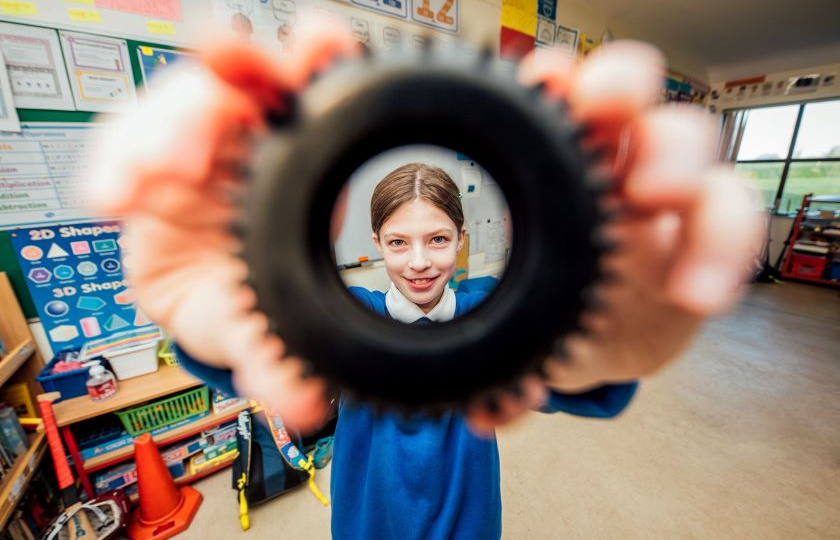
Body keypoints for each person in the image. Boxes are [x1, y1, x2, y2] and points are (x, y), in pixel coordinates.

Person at [86, 17, 762, 540]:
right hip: (365, 525)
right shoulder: (335, 314)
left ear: (462, 243)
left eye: (438, 239)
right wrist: (203, 315)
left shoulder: (496, 311)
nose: (419, 260)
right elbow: (245, 354)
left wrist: (598, 324)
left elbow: (581, 376)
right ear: (375, 244)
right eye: (400, 242)